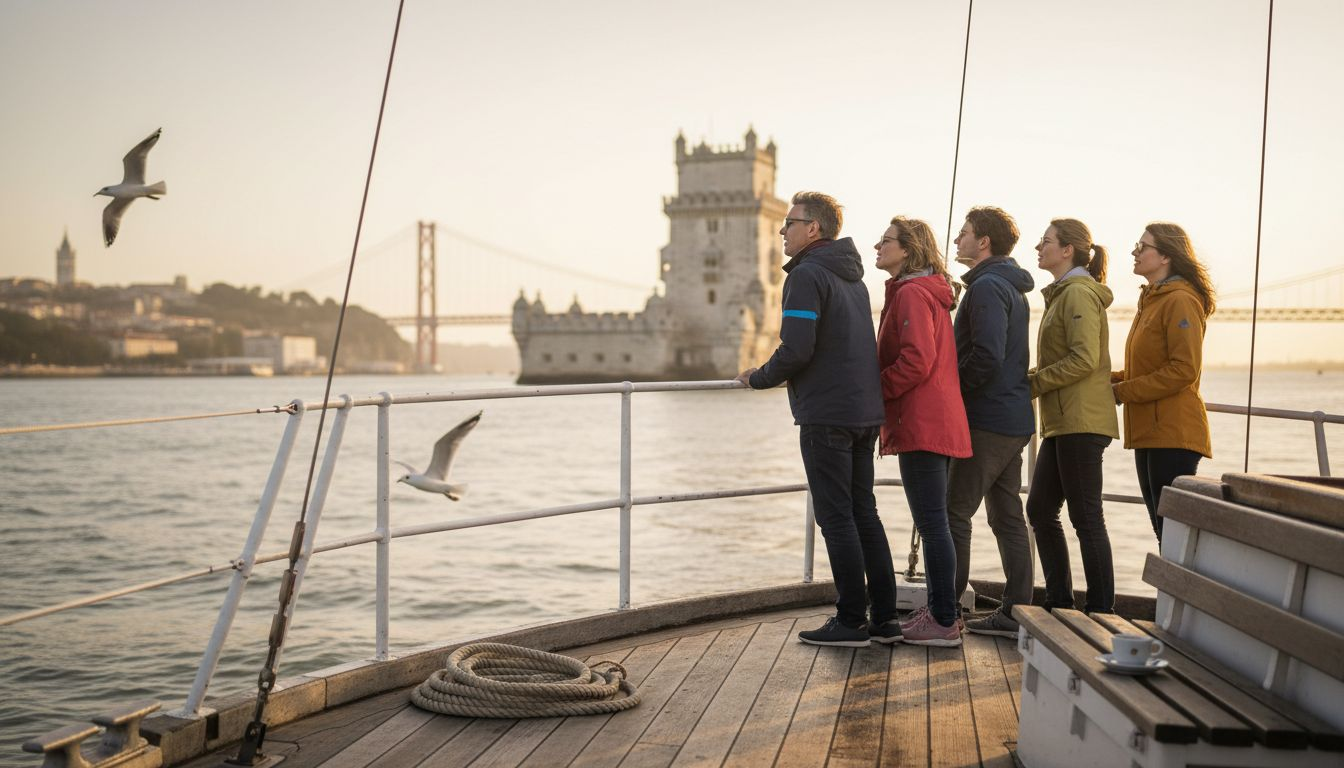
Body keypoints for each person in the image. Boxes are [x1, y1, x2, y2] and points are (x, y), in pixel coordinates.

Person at [735, 191, 895, 647]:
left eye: (790, 222)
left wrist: (758, 378)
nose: (782, 230)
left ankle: (849, 621)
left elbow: (798, 348)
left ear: (814, 229)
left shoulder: (806, 276)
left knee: (836, 518)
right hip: (864, 413)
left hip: (827, 415)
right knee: (865, 514)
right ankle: (884, 619)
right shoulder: (855, 281)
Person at [874, 216, 971, 646]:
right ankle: (940, 611)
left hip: (922, 421)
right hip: (935, 418)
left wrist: (873, 395)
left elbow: (916, 360)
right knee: (936, 522)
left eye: (887, 240)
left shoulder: (912, 293)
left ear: (908, 250)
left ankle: (944, 620)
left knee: (932, 524)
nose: (878, 245)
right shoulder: (922, 291)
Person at [946, 207, 1037, 638]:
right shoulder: (1010, 287)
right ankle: (1016, 610)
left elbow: (985, 355)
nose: (957, 241)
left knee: (953, 512)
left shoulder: (984, 289)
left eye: (964, 234)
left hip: (986, 419)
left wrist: (950, 392)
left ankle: (946, 611)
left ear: (984, 242)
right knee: (1005, 516)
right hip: (1013, 416)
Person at [1025, 219, 1119, 614]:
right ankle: (1060, 603)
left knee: (1086, 517)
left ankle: (1100, 611)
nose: (1038, 247)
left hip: (1081, 421)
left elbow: (1083, 359)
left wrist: (1031, 383)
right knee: (1041, 509)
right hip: (1065, 421)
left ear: (1068, 250)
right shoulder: (1063, 293)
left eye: (1046, 241)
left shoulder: (1078, 294)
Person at [1113, 222, 1216, 541]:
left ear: (1166, 257)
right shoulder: (1153, 299)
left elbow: (1184, 369)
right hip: (1149, 432)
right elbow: (1147, 366)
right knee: (1163, 532)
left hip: (1173, 433)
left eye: (1143, 247)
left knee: (1172, 534)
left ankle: (1182, 592)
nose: (1135, 252)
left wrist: (1123, 391)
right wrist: (1107, 380)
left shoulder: (1180, 300)